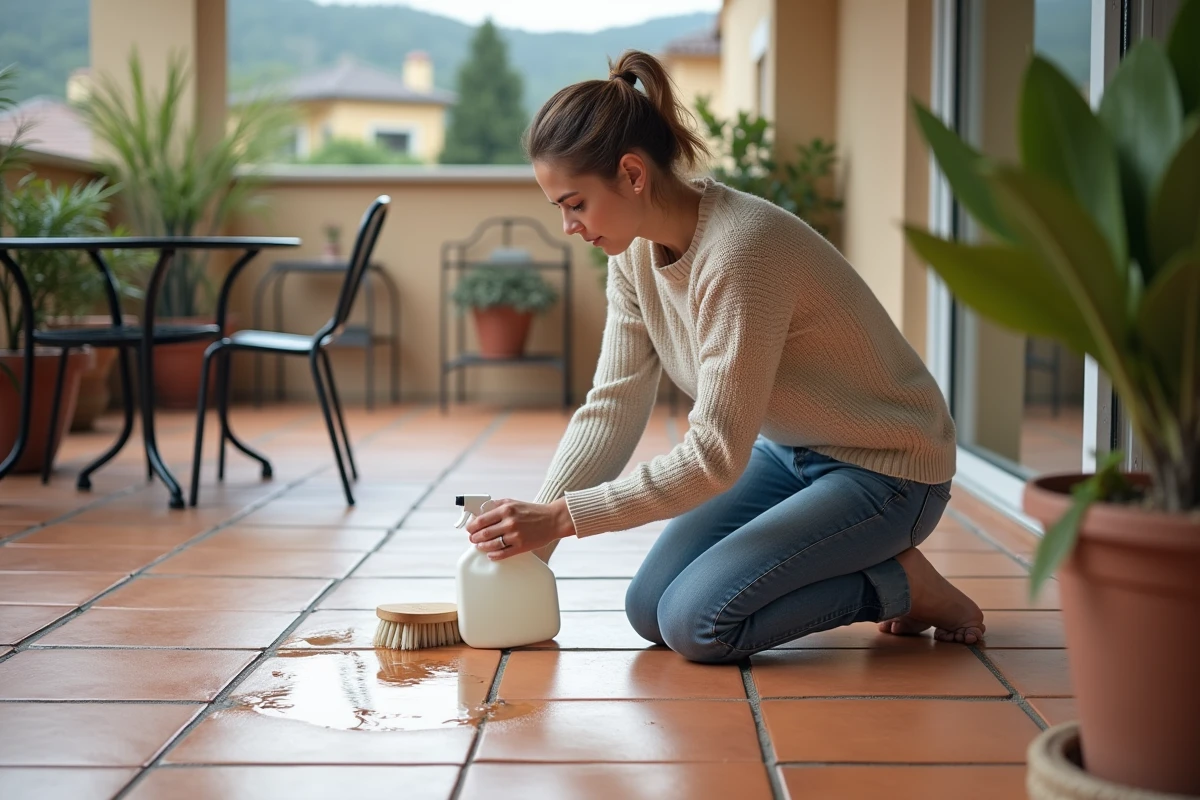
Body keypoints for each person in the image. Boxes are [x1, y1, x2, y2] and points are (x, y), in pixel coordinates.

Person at [463, 49, 985, 664]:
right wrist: (534, 546)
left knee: (698, 624)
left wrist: (562, 517)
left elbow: (713, 457)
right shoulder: (632, 255)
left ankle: (902, 585)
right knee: (647, 607)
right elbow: (613, 405)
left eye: (575, 204)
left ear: (632, 175)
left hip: (889, 470)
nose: (569, 226)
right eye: (559, 209)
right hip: (789, 453)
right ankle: (867, 561)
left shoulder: (742, 253)